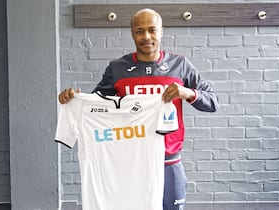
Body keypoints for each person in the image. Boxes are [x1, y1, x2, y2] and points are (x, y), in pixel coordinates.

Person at [59, 8, 219, 210]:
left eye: (152, 30)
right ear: (132, 33)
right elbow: (96, 105)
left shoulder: (180, 65)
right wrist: (74, 100)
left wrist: (188, 93)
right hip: (131, 162)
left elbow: (213, 101)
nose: (146, 37)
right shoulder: (117, 68)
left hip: (168, 163)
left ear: (161, 32)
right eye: (139, 31)